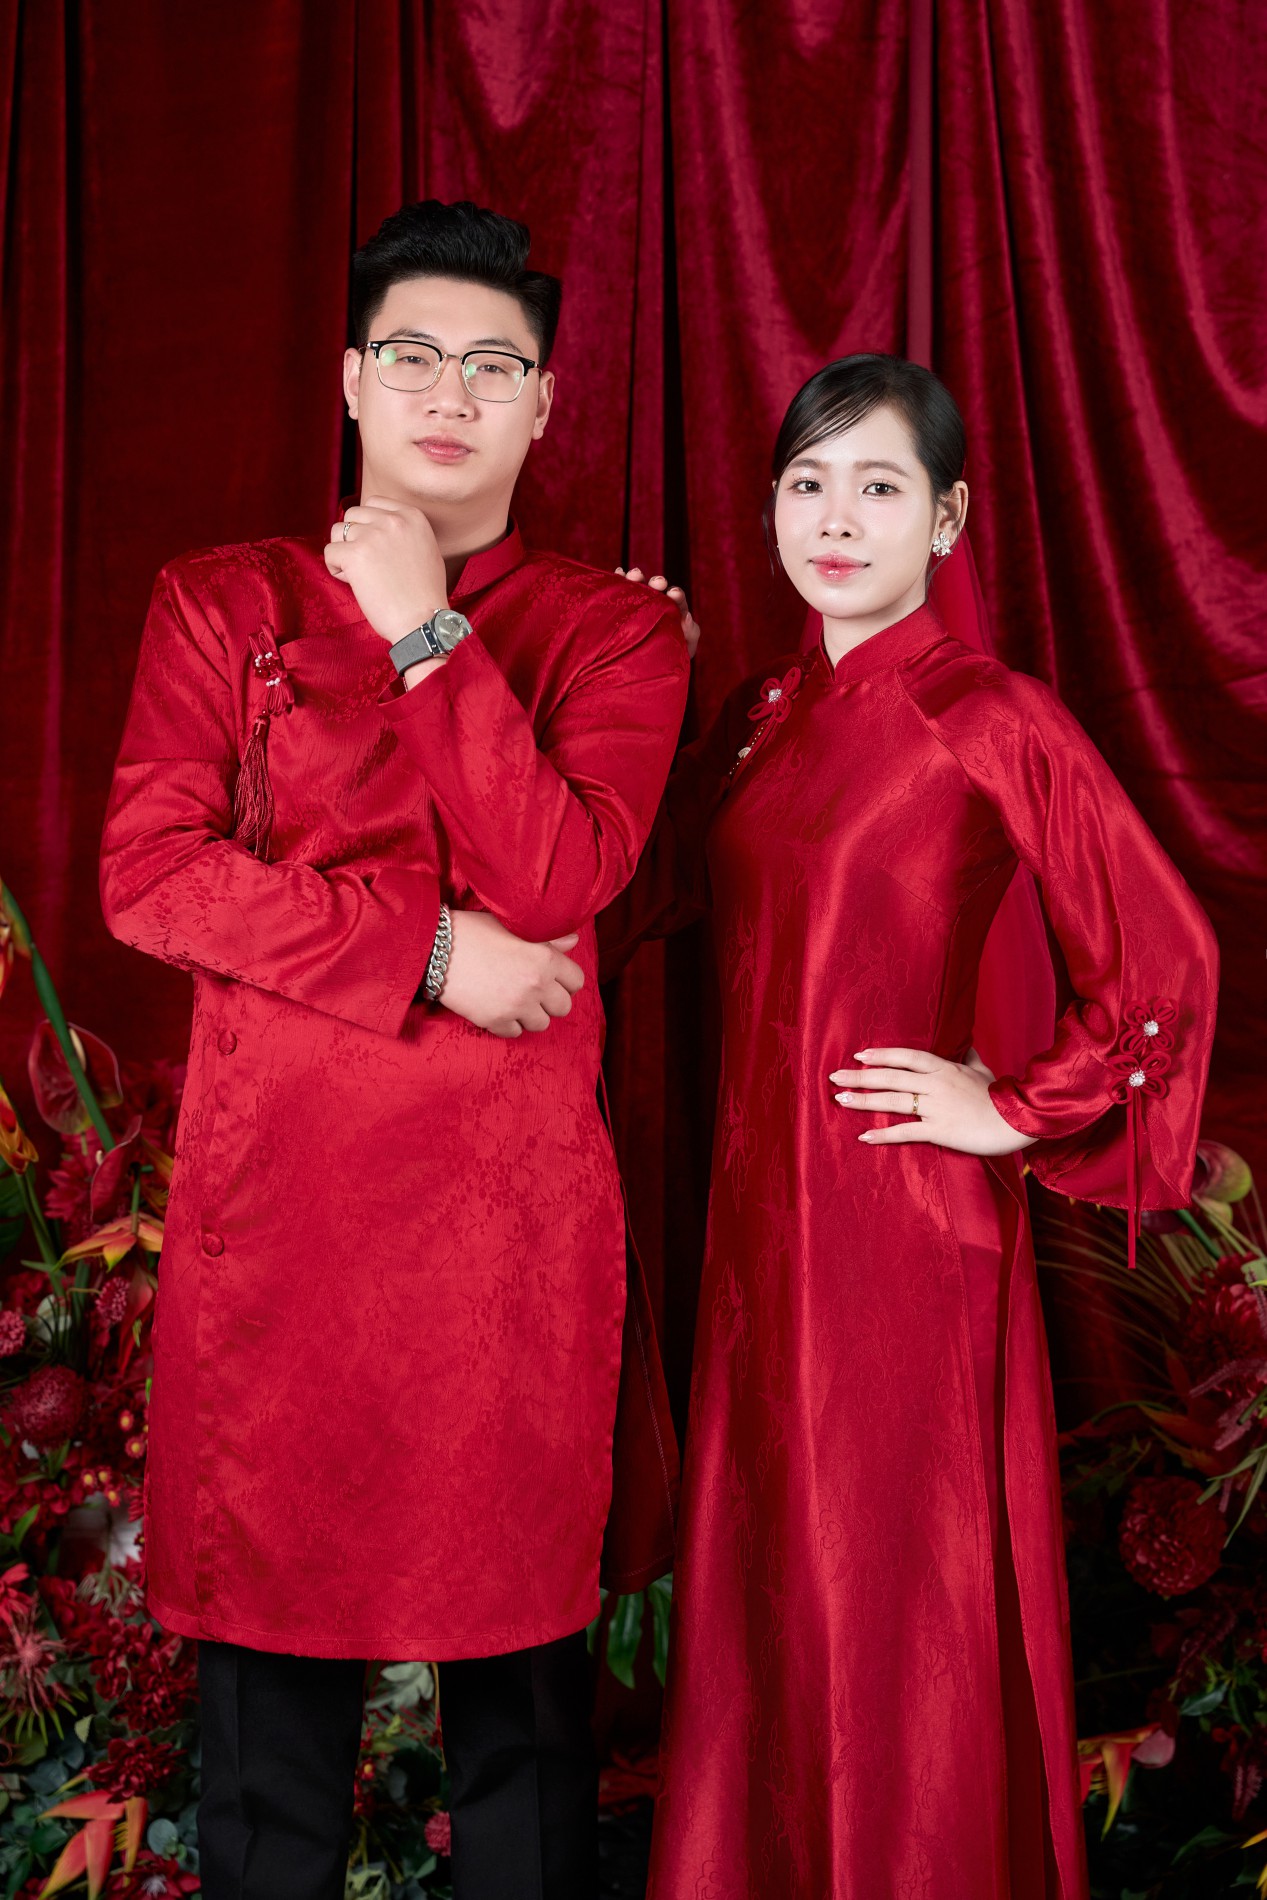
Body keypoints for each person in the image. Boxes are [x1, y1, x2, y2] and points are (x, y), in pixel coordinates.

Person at [99, 199, 691, 1900]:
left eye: (493, 366)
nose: (451, 393)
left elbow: (561, 876)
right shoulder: (222, 603)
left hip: (503, 1247)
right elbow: (151, 876)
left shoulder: (614, 631)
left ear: (544, 404)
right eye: (415, 356)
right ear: (354, 379)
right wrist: (430, 954)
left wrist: (430, 627)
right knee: (268, 1772)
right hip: (284, 1227)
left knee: (523, 1747)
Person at [598, 355, 1219, 1898]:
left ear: (947, 520)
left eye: (878, 487)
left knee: (893, 1609)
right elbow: (639, 891)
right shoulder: (761, 713)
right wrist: (636, 685)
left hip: (903, 1240)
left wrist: (1009, 1109)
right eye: (807, 484)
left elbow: (1165, 961)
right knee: (773, 1591)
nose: (836, 519)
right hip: (759, 1244)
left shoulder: (986, 715)